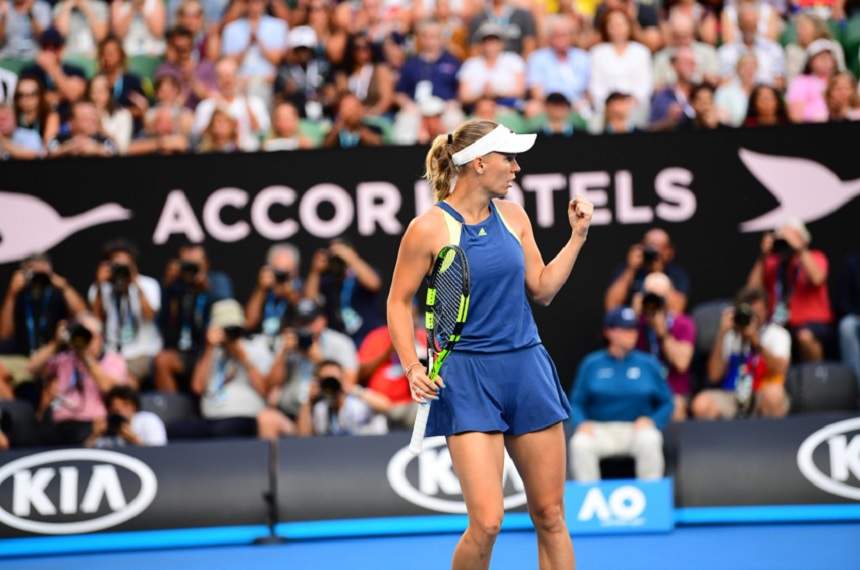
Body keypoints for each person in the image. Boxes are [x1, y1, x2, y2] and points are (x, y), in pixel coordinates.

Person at [388, 119, 594, 569]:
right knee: (487, 523)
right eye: (509, 158)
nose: (516, 168)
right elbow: (397, 301)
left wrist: (577, 237)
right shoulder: (428, 229)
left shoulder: (514, 215)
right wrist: (412, 366)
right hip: (466, 378)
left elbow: (541, 288)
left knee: (551, 514)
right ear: (479, 163)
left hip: (526, 369)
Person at [569, 307, 673, 481]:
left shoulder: (648, 363)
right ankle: (589, 499)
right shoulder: (591, 363)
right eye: (625, 329)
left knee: (650, 439)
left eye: (633, 329)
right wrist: (581, 423)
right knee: (580, 444)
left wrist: (653, 421)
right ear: (609, 332)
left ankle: (650, 496)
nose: (631, 334)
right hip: (600, 429)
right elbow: (576, 402)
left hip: (635, 428)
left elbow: (667, 401)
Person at [169, 298, 274, 438]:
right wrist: (209, 348)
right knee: (175, 430)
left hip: (243, 417)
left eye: (233, 328)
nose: (229, 334)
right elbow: (197, 387)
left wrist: (244, 359)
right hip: (211, 419)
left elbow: (265, 390)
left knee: (223, 431)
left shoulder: (256, 347)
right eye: (225, 329)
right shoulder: (212, 352)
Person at [28, 314, 128, 445]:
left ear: (100, 338)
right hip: (60, 424)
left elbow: (110, 389)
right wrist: (56, 343)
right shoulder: (65, 358)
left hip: (94, 424)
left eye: (89, 335)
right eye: (80, 334)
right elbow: (32, 368)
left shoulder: (113, 360)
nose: (85, 339)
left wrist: (84, 356)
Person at [693, 287, 790, 419]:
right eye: (748, 312)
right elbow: (713, 376)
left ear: (767, 311)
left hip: (762, 393)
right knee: (701, 404)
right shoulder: (731, 336)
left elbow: (780, 369)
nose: (752, 317)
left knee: (773, 395)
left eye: (757, 312)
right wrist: (722, 333)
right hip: (733, 395)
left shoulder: (777, 334)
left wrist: (755, 340)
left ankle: (772, 438)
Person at [747, 219, 833, 362]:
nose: (786, 243)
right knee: (762, 336)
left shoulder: (816, 257)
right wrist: (762, 257)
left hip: (812, 324)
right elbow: (751, 291)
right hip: (779, 324)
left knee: (804, 336)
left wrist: (800, 249)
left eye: (789, 238)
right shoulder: (773, 264)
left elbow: (817, 278)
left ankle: (815, 378)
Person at [265, 297, 358, 419]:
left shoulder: (340, 342)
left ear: (323, 321)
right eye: (302, 322)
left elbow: (349, 383)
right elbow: (271, 385)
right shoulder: (288, 342)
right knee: (267, 417)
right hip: (291, 411)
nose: (306, 328)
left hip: (325, 407)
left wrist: (319, 359)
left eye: (310, 322)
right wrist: (283, 354)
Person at [153, 243, 226, 392]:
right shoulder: (175, 286)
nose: (192, 269)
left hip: (206, 349)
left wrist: (206, 289)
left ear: (206, 264)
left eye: (196, 264)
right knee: (162, 360)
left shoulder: (216, 281)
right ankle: (173, 408)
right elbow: (161, 322)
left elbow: (225, 307)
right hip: (181, 350)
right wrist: (168, 287)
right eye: (187, 264)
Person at [89, 239, 161, 386]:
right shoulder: (99, 288)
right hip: (112, 353)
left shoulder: (148, 284)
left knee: (125, 381)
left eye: (125, 264)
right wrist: (99, 287)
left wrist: (135, 284)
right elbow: (96, 322)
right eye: (116, 264)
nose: (121, 269)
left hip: (144, 353)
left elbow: (150, 316)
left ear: (133, 265)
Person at [634, 273, 695, 421]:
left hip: (673, 390)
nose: (654, 303)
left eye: (660, 297)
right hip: (639, 388)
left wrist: (663, 334)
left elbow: (682, 363)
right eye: (650, 296)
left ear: (671, 297)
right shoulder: (635, 324)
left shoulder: (683, 324)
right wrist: (634, 313)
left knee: (676, 406)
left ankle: (672, 444)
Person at [1, 252, 86, 357]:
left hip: (55, 357)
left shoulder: (57, 293)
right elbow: (5, 334)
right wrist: (12, 293)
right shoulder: (19, 295)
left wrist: (64, 287)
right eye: (33, 271)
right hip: (23, 358)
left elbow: (84, 316)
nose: (38, 277)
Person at [305, 239, 382, 345]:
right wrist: (315, 271)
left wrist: (351, 259)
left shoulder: (361, 275)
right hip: (339, 341)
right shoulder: (328, 280)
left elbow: (374, 284)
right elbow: (309, 300)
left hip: (368, 338)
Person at [605, 228, 691, 314]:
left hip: (662, 323)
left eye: (660, 247)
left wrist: (658, 272)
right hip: (631, 322)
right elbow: (612, 306)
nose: (654, 251)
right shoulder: (626, 270)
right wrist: (631, 269)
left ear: (669, 251)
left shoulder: (676, 274)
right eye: (650, 245)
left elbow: (677, 310)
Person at [192, 57, 269, 151]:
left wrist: (245, 100)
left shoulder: (255, 103)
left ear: (238, 77)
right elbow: (198, 138)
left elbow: (262, 135)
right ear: (216, 79)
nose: (227, 81)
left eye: (230, 75)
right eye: (222, 76)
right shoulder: (206, 106)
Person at [296, 360, 388, 436]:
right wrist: (308, 400)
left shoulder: (358, 401)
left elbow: (387, 406)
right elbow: (304, 436)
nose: (330, 384)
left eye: (333, 379)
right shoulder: (320, 408)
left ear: (342, 378)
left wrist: (352, 389)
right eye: (326, 380)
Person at [588, 9, 652, 119]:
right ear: (606, 28)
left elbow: (645, 86)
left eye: (621, 24)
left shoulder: (642, 52)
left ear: (629, 26)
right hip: (605, 111)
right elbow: (596, 86)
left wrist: (628, 104)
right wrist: (612, 106)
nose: (618, 29)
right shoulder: (597, 53)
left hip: (635, 110)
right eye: (613, 25)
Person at [525, 15, 589, 111]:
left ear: (571, 37)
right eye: (557, 35)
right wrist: (556, 106)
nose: (561, 40)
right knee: (532, 108)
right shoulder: (537, 58)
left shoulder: (582, 57)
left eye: (565, 35)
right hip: (548, 104)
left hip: (577, 104)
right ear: (550, 37)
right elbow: (536, 91)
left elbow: (587, 89)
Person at [457, 22, 526, 110]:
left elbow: (520, 91)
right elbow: (463, 96)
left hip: (508, 108)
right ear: (480, 44)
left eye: (494, 41)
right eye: (486, 41)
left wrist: (497, 93)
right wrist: (482, 94)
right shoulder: (470, 64)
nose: (490, 45)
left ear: (502, 43)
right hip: (477, 110)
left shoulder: (513, 60)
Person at [717, 1, 785, 88]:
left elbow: (780, 81)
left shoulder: (774, 50)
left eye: (751, 25)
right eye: (745, 25)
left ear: (757, 24)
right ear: (738, 25)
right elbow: (723, 82)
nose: (748, 30)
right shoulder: (725, 52)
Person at [244, 243, 302, 341]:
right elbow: (249, 322)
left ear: (295, 271)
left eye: (286, 272)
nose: (281, 276)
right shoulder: (261, 288)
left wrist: (289, 294)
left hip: (290, 341)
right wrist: (261, 289)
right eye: (278, 271)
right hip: (261, 342)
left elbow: (304, 312)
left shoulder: (300, 287)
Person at [651, 11, 719, 90]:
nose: (682, 41)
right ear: (671, 35)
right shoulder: (661, 58)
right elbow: (655, 87)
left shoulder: (708, 53)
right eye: (678, 36)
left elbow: (715, 81)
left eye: (685, 36)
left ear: (692, 33)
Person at [86, 384, 168, 446]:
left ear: (134, 406)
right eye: (114, 408)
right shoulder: (107, 426)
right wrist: (95, 435)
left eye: (125, 405)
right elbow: (87, 456)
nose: (119, 410)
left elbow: (158, 453)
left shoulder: (148, 420)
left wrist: (134, 440)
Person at [786, 39, 841, 123]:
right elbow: (795, 116)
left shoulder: (841, 80)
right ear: (810, 62)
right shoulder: (800, 82)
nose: (825, 61)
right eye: (821, 57)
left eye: (828, 57)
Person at [649, 46, 696, 131]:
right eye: (685, 62)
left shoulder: (702, 92)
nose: (690, 67)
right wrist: (668, 121)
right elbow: (650, 128)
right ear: (674, 65)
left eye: (692, 63)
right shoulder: (663, 95)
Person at [48, 99, 116, 156]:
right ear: (72, 122)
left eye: (93, 116)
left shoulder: (103, 140)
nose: (92, 121)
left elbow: (114, 152)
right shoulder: (60, 139)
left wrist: (96, 149)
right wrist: (70, 147)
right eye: (86, 118)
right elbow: (49, 152)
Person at [467, 0, 536, 56]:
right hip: (487, 67)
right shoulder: (479, 17)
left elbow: (529, 46)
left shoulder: (522, 16)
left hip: (514, 66)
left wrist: (519, 66)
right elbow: (474, 50)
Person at [88, 73, 133, 153]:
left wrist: (102, 129)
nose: (96, 96)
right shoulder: (84, 112)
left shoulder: (123, 115)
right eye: (93, 92)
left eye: (100, 91)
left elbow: (123, 148)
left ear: (109, 92)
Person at [714, 53, 758, 126]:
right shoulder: (724, 90)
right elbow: (721, 117)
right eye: (745, 66)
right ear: (738, 69)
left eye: (752, 66)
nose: (749, 69)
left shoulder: (762, 91)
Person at [837, 254, 860, 387]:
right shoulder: (853, 263)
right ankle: (858, 387)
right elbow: (842, 302)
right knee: (847, 325)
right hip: (857, 317)